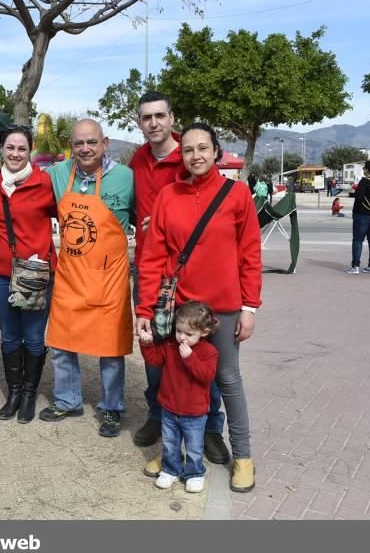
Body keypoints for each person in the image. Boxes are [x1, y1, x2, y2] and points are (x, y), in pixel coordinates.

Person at [137, 122, 262, 493]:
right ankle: (174, 454)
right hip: (182, 309)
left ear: (216, 151)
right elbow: (153, 257)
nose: (196, 155)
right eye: (189, 149)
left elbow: (250, 254)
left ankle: (243, 456)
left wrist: (250, 306)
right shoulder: (168, 196)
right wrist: (145, 309)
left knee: (226, 379)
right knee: (178, 380)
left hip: (223, 308)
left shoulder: (237, 195)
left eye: (203, 148)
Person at [128, 91, 227, 464]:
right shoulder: (137, 160)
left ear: (172, 118)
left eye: (160, 116)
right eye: (146, 117)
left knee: (198, 349)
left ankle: (210, 427)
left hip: (188, 273)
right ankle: (159, 415)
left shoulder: (188, 157)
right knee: (156, 351)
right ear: (139, 123)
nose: (153, 123)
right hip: (152, 269)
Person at [38, 118, 134, 438]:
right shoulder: (57, 174)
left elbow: (151, 214)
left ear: (105, 143)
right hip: (71, 276)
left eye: (92, 142)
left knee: (110, 348)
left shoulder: (125, 177)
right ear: (71, 146)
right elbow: (23, 176)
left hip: (110, 278)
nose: (85, 148)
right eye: (79, 143)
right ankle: (68, 400)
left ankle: (111, 407)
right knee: (61, 343)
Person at [0, 125, 57, 423]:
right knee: (10, 335)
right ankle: (13, 392)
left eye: (21, 148)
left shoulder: (45, 182)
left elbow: (64, 213)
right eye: (10, 148)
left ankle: (29, 394)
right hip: (1, 271)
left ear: (30, 151)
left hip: (35, 272)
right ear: (1, 150)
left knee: (34, 336)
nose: (15, 153)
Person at [139, 301, 219, 494]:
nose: (182, 337)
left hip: (195, 412)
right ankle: (171, 469)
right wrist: (147, 344)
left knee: (194, 446)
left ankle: (194, 473)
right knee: (170, 442)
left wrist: (190, 358)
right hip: (169, 407)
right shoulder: (170, 345)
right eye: (179, 331)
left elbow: (206, 376)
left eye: (189, 334)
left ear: (204, 332)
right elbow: (154, 360)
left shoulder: (209, 352)